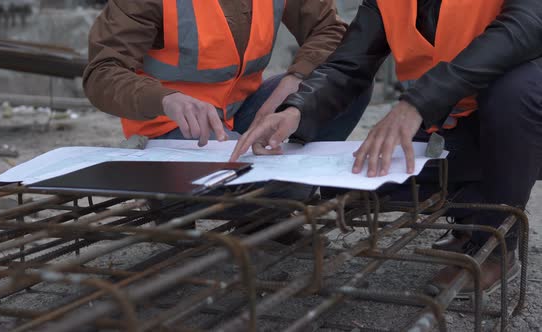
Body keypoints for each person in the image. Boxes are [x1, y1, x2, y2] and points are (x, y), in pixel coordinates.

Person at [231, 0, 542, 296]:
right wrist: (296, 110)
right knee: (357, 186)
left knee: (513, 93)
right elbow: (349, 65)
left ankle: (495, 247)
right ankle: (474, 212)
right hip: (453, 119)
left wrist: (417, 104)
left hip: (523, 116)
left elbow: (523, 28)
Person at [83, 0, 371, 147]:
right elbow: (102, 72)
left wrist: (297, 80)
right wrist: (167, 100)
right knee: (255, 180)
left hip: (241, 112)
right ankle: (174, 202)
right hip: (170, 126)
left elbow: (329, 29)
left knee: (343, 85)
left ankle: (280, 190)